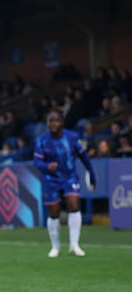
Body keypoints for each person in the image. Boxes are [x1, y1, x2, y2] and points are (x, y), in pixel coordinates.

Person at [34, 110, 96, 258]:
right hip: (51, 180)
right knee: (53, 212)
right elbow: (37, 161)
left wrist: (91, 174)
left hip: (70, 178)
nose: (54, 123)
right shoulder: (42, 140)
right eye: (51, 121)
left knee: (74, 205)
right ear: (47, 123)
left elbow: (84, 156)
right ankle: (55, 247)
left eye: (57, 120)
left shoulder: (72, 137)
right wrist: (47, 166)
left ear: (62, 122)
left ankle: (74, 245)